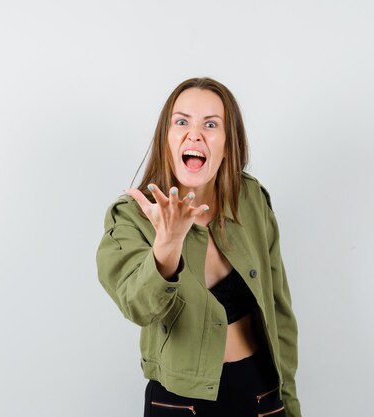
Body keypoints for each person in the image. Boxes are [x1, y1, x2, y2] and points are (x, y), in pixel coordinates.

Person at [96, 77, 301, 417]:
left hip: (261, 393)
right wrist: (168, 243)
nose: (195, 134)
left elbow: (279, 310)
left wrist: (289, 404)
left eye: (211, 124)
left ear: (227, 143)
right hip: (180, 403)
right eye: (181, 122)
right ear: (167, 138)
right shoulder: (131, 217)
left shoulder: (250, 199)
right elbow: (138, 306)